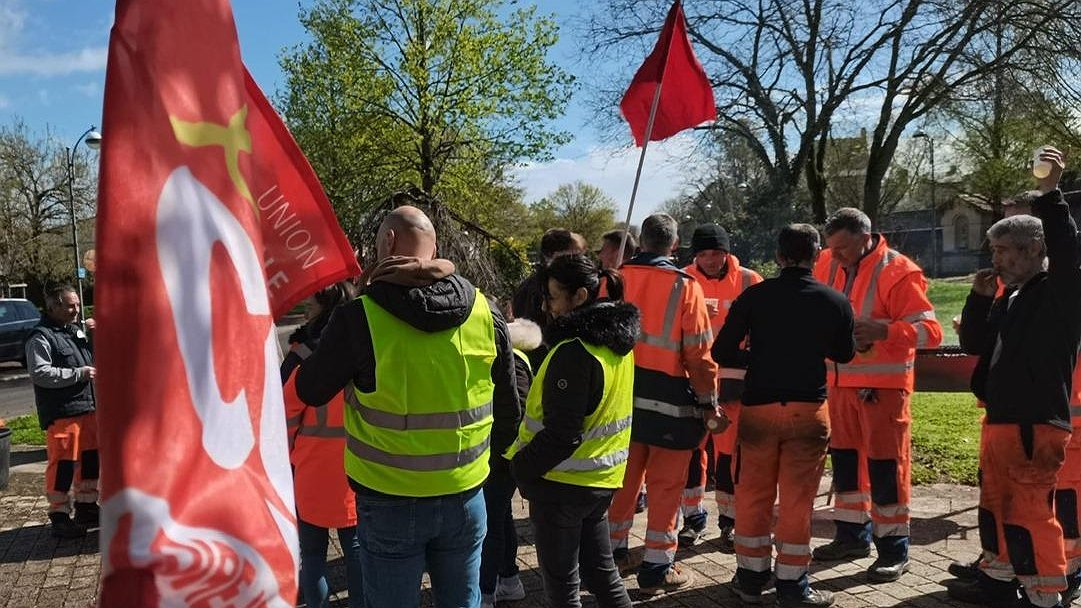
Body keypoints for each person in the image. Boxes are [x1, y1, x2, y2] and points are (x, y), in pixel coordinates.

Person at [296, 206, 521, 608]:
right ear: (434, 248)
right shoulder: (486, 313)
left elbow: (312, 389)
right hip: (466, 495)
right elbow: (509, 411)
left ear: (388, 243)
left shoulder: (357, 318)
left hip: (388, 500)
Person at [951, 147, 1081, 608]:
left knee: (1029, 511)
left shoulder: (1059, 290)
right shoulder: (1012, 296)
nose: (998, 259)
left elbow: (1067, 250)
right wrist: (979, 299)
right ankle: (1000, 583)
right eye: (995, 250)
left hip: (1035, 421)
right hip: (1003, 419)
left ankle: (1047, 597)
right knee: (996, 507)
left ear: (1035, 251)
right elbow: (978, 348)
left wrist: (1050, 193)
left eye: (1005, 250)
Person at [714, 224, 856, 607]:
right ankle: (793, 585)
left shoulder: (754, 297)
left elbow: (722, 351)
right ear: (816, 256)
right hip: (809, 411)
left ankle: (750, 579)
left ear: (779, 256)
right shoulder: (835, 301)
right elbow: (845, 354)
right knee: (797, 500)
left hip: (759, 409)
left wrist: (756, 358)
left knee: (753, 495)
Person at [811, 207, 943, 582]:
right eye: (830, 248)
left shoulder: (899, 271)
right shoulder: (827, 261)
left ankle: (893, 550)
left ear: (865, 238)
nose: (834, 256)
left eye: (842, 248)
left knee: (887, 470)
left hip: (882, 391)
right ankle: (851, 536)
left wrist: (884, 331)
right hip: (838, 386)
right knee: (847, 465)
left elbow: (930, 332)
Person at [507, 253, 640, 608]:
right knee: (602, 575)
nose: (546, 307)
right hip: (600, 480)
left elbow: (562, 435)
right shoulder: (617, 345)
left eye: (551, 296)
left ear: (579, 296)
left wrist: (520, 466)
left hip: (562, 485)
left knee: (563, 588)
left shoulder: (574, 352)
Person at [607, 213, 723, 595]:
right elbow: (700, 355)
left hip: (619, 401)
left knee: (621, 482)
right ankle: (657, 569)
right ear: (674, 247)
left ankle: (611, 555)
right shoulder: (684, 286)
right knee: (666, 488)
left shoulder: (614, 280)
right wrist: (709, 403)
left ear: (641, 242)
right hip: (670, 406)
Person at [678, 223, 763, 550]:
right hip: (690, 381)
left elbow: (762, 332)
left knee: (729, 456)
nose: (710, 261)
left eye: (715, 253)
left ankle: (730, 522)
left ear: (727, 252)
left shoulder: (749, 280)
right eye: (702, 254)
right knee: (691, 452)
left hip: (733, 385)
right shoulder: (683, 279)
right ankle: (693, 519)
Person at [283, 280, 363, 608]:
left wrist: (287, 456)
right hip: (356, 465)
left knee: (312, 554)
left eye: (311, 301)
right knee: (356, 550)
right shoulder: (363, 348)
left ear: (324, 303)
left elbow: (284, 411)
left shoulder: (301, 354)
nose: (305, 306)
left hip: (310, 467)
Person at [26, 285, 98, 539]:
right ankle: (59, 515)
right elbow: (40, 373)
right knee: (63, 465)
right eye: (70, 305)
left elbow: (92, 360)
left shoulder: (74, 332)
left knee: (90, 461)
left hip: (87, 409)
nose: (76, 310)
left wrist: (93, 337)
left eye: (77, 305)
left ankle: (87, 507)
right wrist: (77, 374)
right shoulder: (41, 337)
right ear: (53, 307)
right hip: (63, 412)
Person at [480, 314, 542, 608]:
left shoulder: (511, 359)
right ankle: (509, 580)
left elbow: (516, 410)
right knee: (501, 518)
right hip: (505, 453)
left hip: (501, 455)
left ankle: (486, 591)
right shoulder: (517, 354)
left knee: (491, 523)